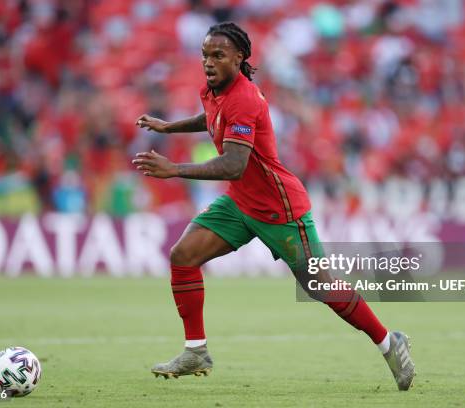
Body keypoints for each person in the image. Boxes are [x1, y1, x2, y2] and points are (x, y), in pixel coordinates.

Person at [132, 22, 415, 390]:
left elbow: (234, 163)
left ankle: (389, 342)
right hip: (240, 203)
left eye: (218, 55)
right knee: (183, 255)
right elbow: (212, 116)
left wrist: (175, 170)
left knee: (320, 287)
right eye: (205, 55)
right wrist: (169, 128)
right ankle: (195, 350)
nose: (208, 62)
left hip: (280, 209)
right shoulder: (214, 90)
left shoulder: (246, 98)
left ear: (239, 58)